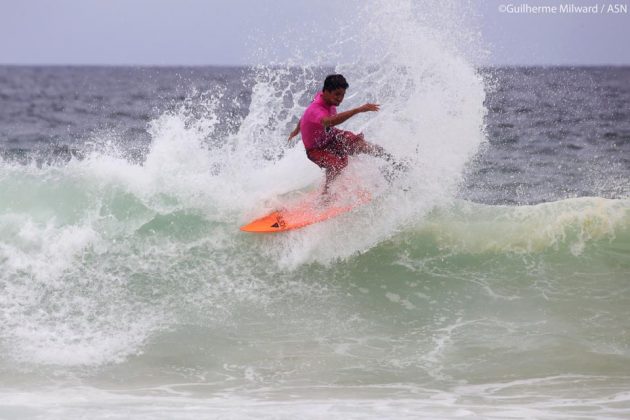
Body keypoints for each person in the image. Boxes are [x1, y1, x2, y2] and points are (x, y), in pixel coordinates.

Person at [288, 74, 401, 195]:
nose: (340, 99)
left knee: (359, 144)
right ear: (326, 92)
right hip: (316, 149)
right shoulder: (317, 109)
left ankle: (394, 163)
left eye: (342, 95)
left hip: (330, 136)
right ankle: (326, 196)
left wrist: (297, 129)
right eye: (337, 94)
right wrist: (357, 110)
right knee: (336, 165)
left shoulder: (319, 97)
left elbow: (306, 114)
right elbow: (328, 121)